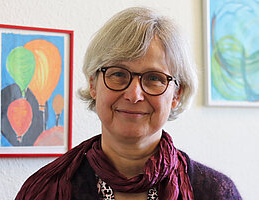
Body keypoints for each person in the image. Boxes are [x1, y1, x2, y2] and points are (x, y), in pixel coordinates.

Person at [15, 7, 242, 200]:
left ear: (176, 94)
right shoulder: (44, 191)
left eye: (154, 78)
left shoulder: (214, 192)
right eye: (118, 74)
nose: (134, 95)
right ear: (94, 84)